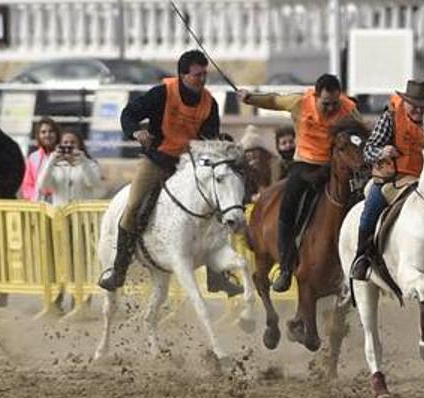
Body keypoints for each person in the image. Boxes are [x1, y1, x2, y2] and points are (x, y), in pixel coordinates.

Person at [98, 50, 220, 292]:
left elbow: (210, 138)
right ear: (183, 75)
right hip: (156, 160)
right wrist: (135, 132)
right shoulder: (161, 94)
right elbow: (129, 114)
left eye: (205, 74)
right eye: (197, 75)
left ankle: (217, 275)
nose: (202, 79)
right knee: (133, 206)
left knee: (216, 208)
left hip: (188, 166)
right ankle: (119, 269)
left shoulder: (210, 103)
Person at [239, 74, 362, 290]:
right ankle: (286, 267)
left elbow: (361, 134)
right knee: (288, 206)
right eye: (326, 104)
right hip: (305, 165)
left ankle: (362, 262)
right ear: (315, 95)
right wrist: (251, 99)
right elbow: (274, 100)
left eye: (335, 103)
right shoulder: (299, 102)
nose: (332, 108)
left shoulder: (349, 108)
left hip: (334, 167)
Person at [350, 79, 424, 281]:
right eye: (414, 105)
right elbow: (368, 150)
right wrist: (382, 151)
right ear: (405, 101)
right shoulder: (391, 116)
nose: (419, 110)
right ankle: (362, 257)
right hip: (396, 178)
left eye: (423, 106)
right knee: (371, 208)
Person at [35, 128, 103, 206]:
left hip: (81, 214)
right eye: (65, 142)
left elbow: (94, 184)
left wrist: (83, 162)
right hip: (60, 213)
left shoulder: (90, 164)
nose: (68, 145)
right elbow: (42, 185)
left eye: (73, 143)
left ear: (80, 144)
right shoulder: (55, 166)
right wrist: (51, 161)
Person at [19, 116, 61, 201]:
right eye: (43, 132)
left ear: (57, 134)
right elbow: (27, 185)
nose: (47, 135)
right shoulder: (34, 157)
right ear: (38, 135)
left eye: (51, 131)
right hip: (39, 205)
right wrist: (35, 196)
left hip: (61, 203)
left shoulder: (64, 155)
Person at [237, 125, 280, 202]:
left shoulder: (274, 167)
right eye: (248, 151)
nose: (252, 154)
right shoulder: (241, 172)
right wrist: (251, 198)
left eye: (255, 150)